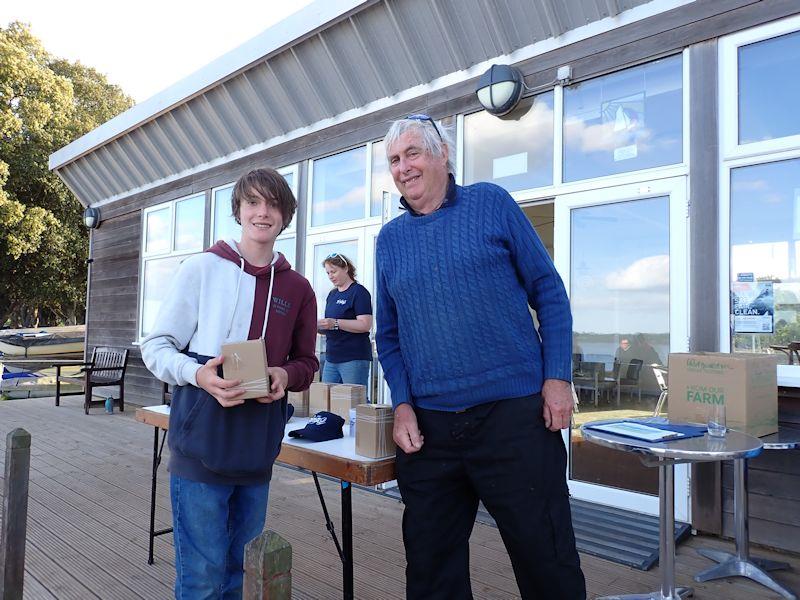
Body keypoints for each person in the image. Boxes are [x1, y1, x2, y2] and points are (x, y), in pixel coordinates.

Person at [376, 115, 586, 600]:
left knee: (546, 561)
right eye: (393, 160)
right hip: (430, 431)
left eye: (412, 153)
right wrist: (403, 403)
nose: (403, 167)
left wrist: (557, 378)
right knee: (431, 573)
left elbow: (549, 292)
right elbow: (388, 335)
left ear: (441, 154)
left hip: (514, 420)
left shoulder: (490, 203)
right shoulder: (389, 240)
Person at [141, 168, 318, 599]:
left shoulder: (298, 288)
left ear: (286, 216)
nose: (263, 212)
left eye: (273, 204)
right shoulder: (201, 269)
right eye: (253, 202)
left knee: (242, 575)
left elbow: (307, 362)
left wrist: (283, 374)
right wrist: (198, 374)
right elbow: (157, 347)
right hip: (201, 445)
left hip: (257, 451)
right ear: (238, 211)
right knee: (200, 578)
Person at [317, 253, 373, 392]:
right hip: (331, 357)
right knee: (327, 400)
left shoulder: (359, 292)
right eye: (328, 273)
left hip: (353, 358)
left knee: (353, 402)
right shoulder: (332, 295)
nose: (330, 276)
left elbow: (365, 325)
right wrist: (319, 327)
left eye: (333, 271)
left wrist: (335, 323)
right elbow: (331, 326)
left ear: (346, 268)